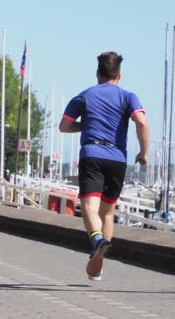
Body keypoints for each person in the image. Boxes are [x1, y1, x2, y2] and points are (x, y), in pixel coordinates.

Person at [59, 51, 149, 281]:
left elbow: (64, 126)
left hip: (92, 154)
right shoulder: (129, 97)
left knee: (89, 206)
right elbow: (141, 122)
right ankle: (98, 265)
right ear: (119, 75)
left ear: (97, 73)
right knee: (107, 212)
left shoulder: (85, 96)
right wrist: (144, 151)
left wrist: (86, 125)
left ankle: (97, 240)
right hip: (117, 158)